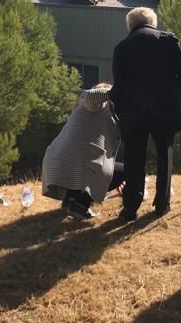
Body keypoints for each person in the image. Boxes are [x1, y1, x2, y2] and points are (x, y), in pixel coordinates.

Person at [110, 6, 181, 221]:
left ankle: (131, 206)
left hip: (133, 110)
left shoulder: (122, 48)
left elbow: (119, 85)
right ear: (153, 23)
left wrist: (117, 107)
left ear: (130, 25)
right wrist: (180, 94)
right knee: (164, 155)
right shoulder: (167, 40)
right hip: (165, 107)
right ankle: (161, 204)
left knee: (133, 159)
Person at [41, 83, 124, 220]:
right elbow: (90, 95)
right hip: (73, 161)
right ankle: (80, 203)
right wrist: (116, 91)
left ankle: (71, 199)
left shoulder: (86, 110)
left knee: (87, 164)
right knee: (123, 171)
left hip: (60, 160)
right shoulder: (94, 104)